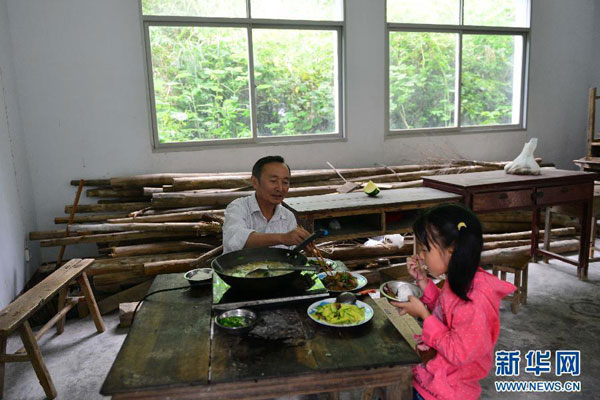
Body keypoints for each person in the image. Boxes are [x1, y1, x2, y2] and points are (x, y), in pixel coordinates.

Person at [391, 204, 516, 400]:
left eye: (425, 249)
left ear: (452, 249)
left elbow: (458, 352)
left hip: (447, 391)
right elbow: (446, 311)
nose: (421, 256)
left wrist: (424, 315)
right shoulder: (459, 279)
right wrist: (423, 281)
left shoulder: (476, 300)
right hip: (432, 378)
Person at [222, 155, 311, 254]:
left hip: (278, 269)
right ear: (255, 182)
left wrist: (302, 244)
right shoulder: (238, 207)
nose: (280, 188)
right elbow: (235, 238)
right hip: (238, 268)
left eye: (285, 182)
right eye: (273, 181)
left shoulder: (288, 217)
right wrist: (283, 237)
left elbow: (290, 255)